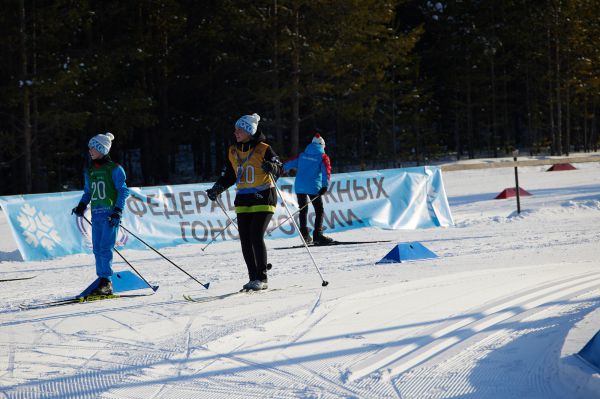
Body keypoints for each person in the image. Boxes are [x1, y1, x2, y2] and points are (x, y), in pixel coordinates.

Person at [206, 113, 282, 291]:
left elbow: (280, 168)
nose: (235, 132)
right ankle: (253, 277)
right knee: (245, 239)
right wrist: (217, 188)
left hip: (264, 196)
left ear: (249, 131)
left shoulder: (264, 148)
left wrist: (272, 167)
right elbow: (229, 175)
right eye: (235, 129)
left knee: (256, 235)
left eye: (239, 129)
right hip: (243, 199)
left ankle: (262, 278)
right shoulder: (233, 150)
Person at [71, 133, 130, 296]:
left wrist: (118, 211)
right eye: (90, 147)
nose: (89, 150)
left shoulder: (115, 169)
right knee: (97, 249)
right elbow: (88, 192)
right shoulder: (89, 171)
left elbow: (123, 191)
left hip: (110, 216)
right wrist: (82, 205)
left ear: (101, 149)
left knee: (105, 248)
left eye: (93, 147)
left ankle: (106, 281)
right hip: (96, 215)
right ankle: (102, 280)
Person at [283, 133, 333, 245]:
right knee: (319, 210)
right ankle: (318, 235)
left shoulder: (302, 155)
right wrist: (325, 186)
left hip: (299, 186)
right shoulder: (323, 157)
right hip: (313, 187)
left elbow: (289, 163)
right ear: (322, 145)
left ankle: (304, 235)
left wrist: (280, 169)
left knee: (302, 209)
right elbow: (326, 172)